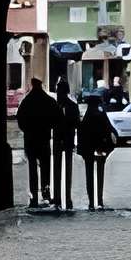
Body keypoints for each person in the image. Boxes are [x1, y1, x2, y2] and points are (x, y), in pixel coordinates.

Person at [15, 78, 55, 210]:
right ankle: (46, 193)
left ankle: (33, 197)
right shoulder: (48, 100)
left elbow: (20, 119)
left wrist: (27, 130)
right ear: (41, 85)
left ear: (32, 85)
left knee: (32, 169)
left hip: (31, 140)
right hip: (44, 139)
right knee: (45, 167)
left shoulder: (26, 101)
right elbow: (56, 118)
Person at [78, 90, 115, 210]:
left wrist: (81, 150)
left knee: (89, 175)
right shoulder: (101, 114)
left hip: (88, 150)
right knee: (100, 174)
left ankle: (91, 202)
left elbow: (81, 133)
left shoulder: (87, 116)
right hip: (101, 149)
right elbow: (110, 129)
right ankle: (100, 200)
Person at [52, 83, 80, 211]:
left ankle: (59, 198)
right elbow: (77, 125)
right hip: (66, 140)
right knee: (67, 169)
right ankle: (66, 198)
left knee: (58, 169)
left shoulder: (55, 106)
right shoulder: (72, 106)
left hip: (61, 141)